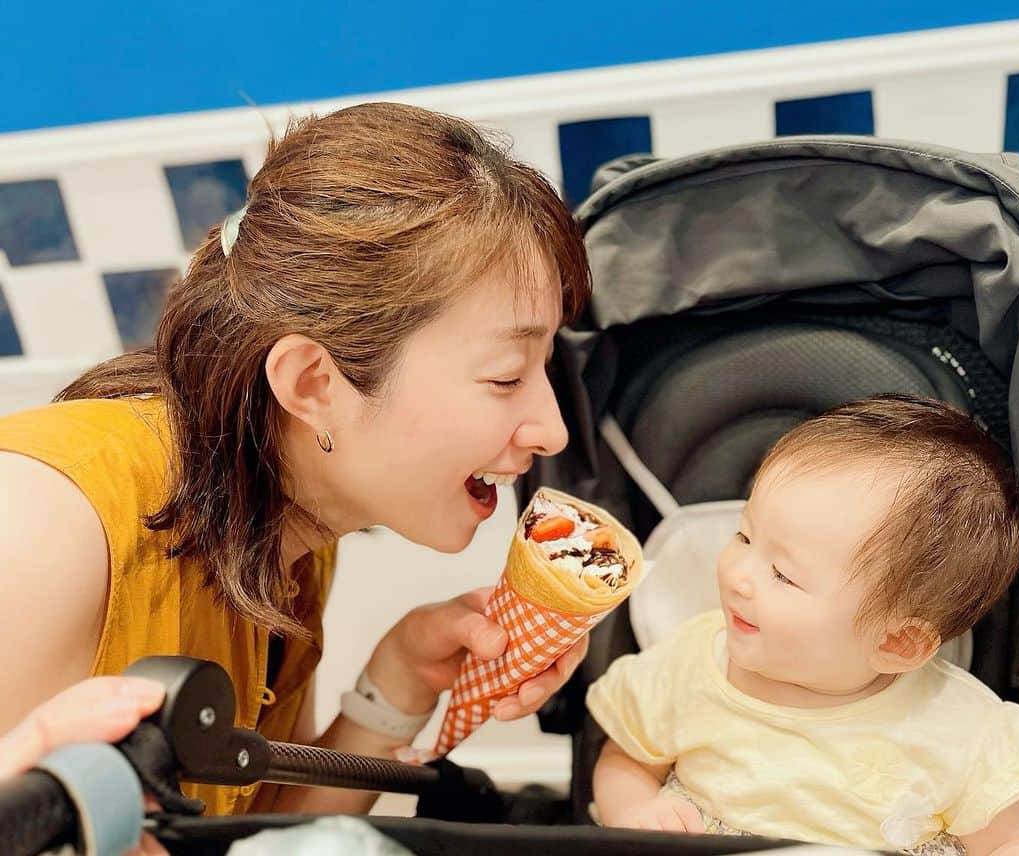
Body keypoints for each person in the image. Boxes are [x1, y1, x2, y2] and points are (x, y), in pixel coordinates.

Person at [0, 102, 592, 818]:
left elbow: (258, 832)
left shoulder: (290, 533)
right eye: (505, 376)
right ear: (312, 382)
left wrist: (398, 681)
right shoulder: (40, 532)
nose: (552, 431)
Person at [587, 395, 1019, 855]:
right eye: (743, 535)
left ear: (898, 642)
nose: (738, 575)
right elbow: (625, 760)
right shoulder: (690, 665)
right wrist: (636, 811)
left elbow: (1016, 842)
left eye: (783, 574)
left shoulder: (957, 727)